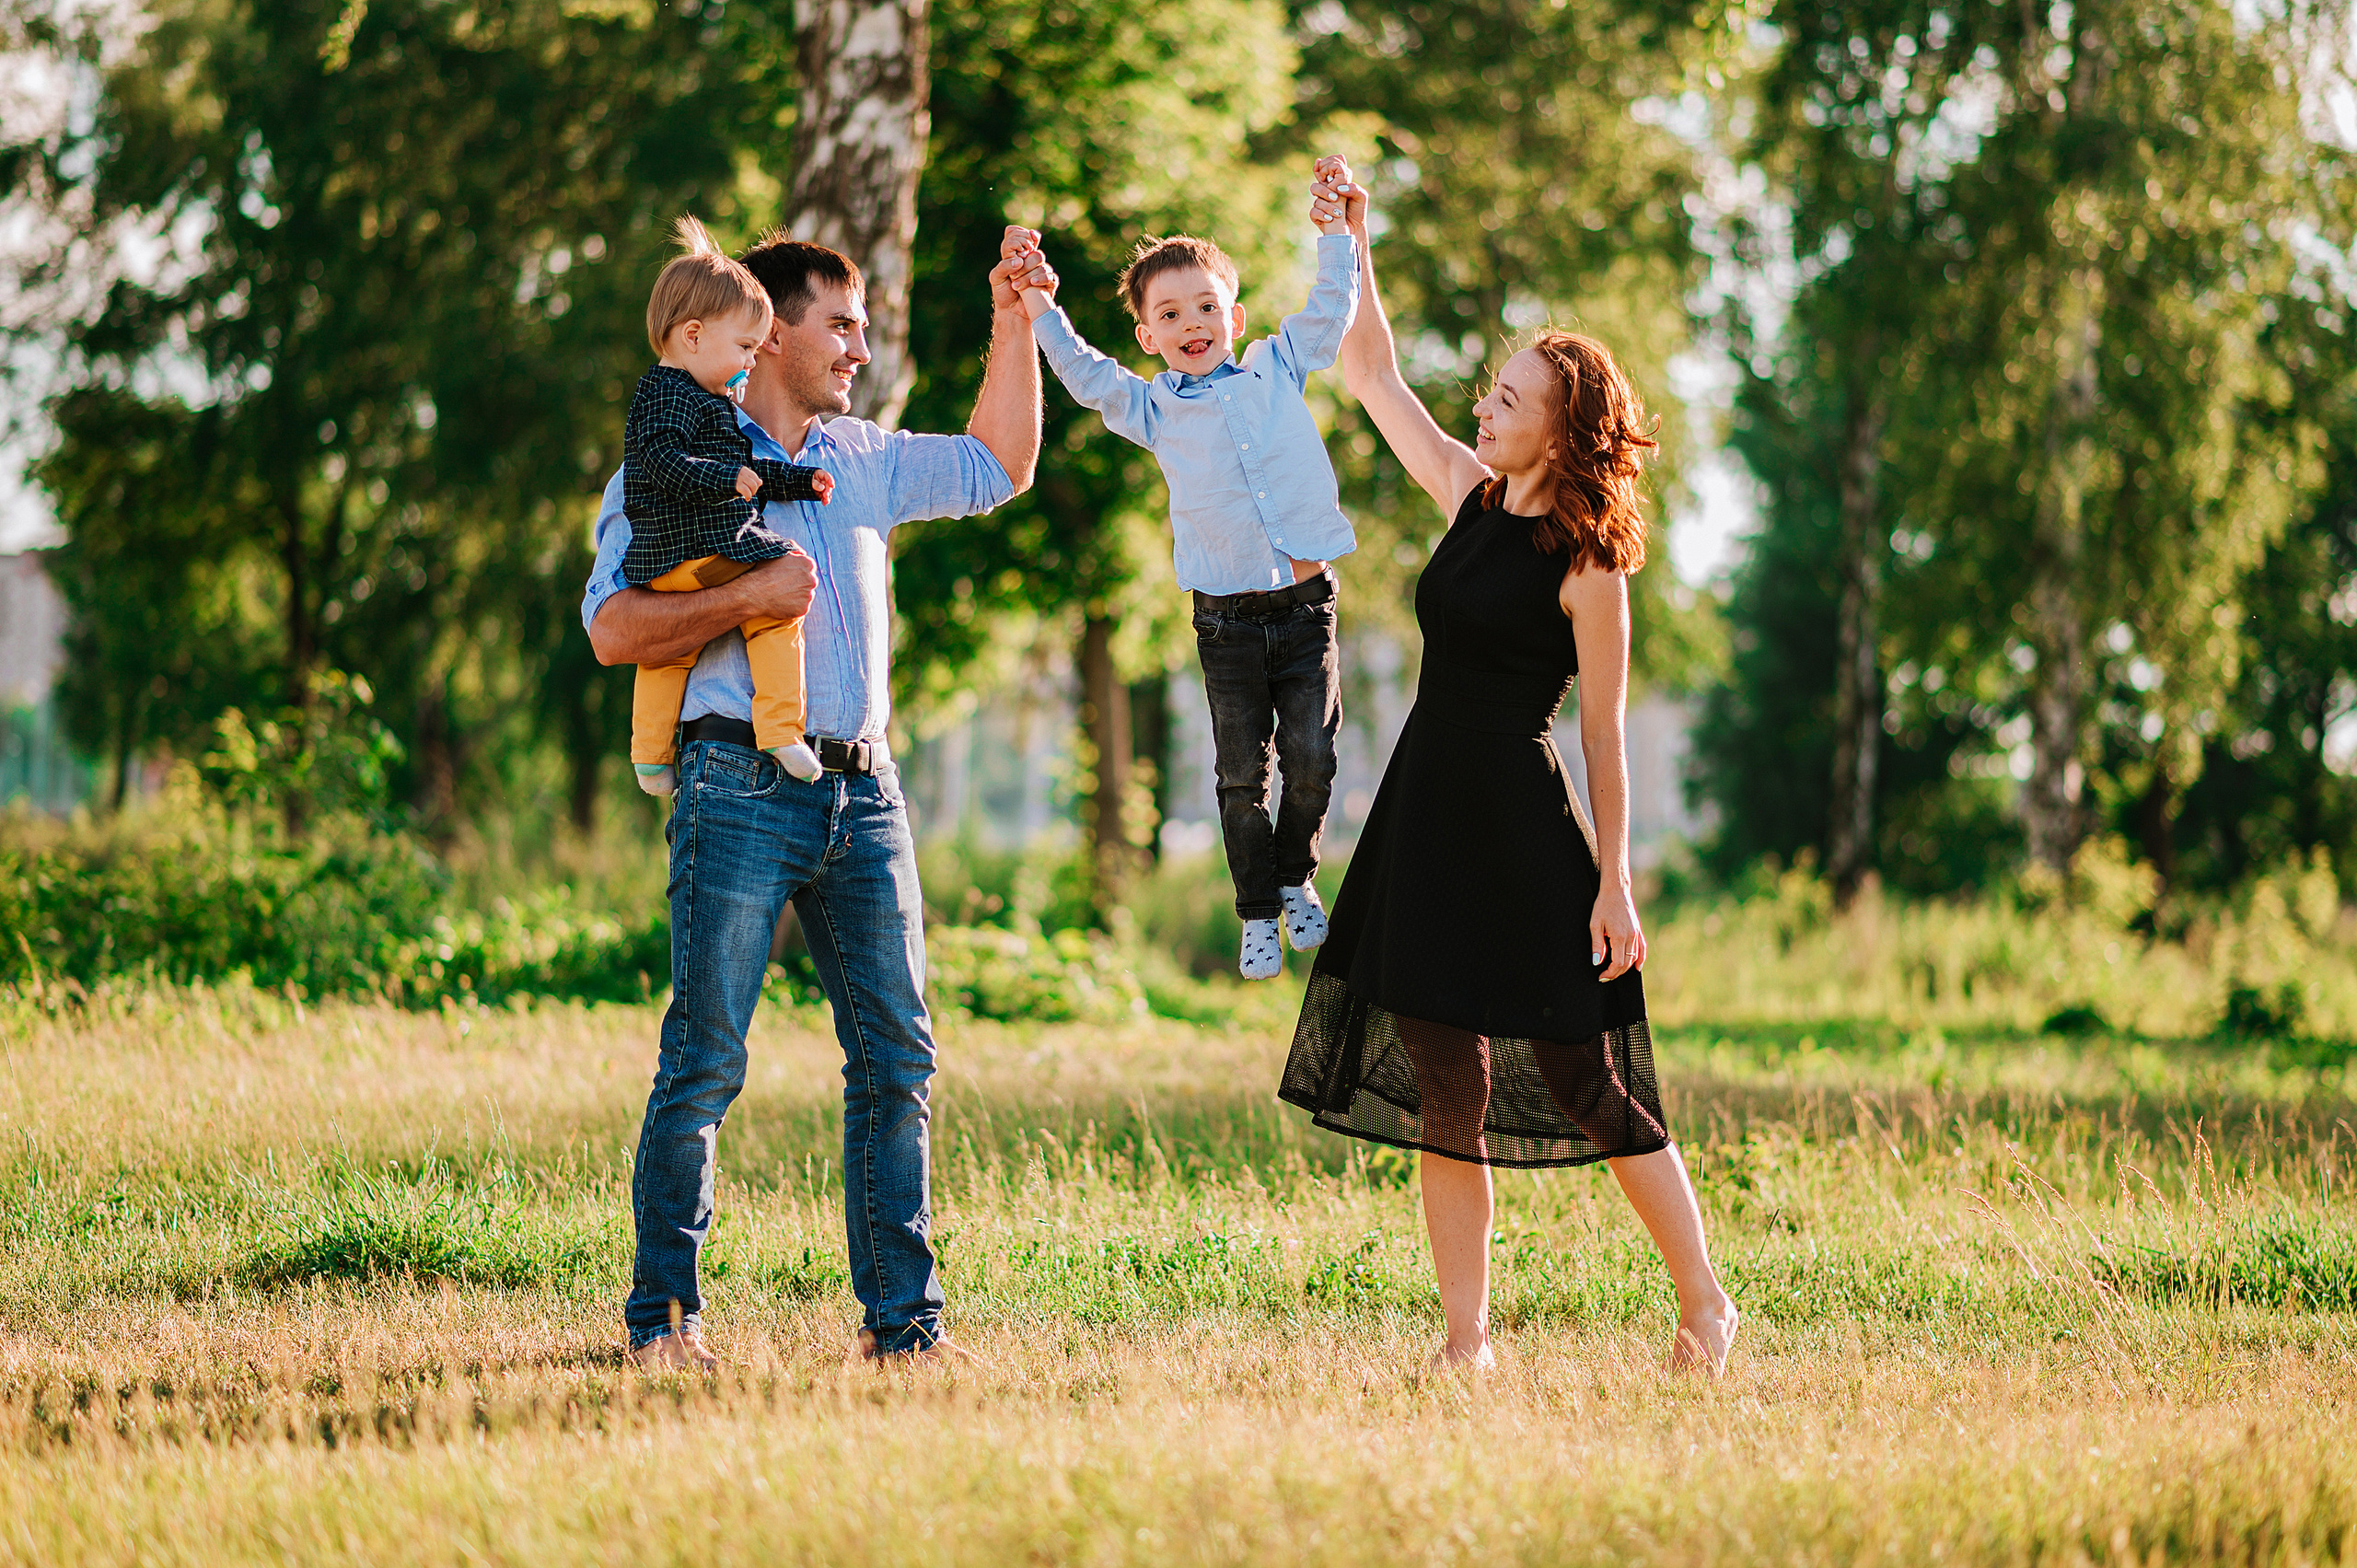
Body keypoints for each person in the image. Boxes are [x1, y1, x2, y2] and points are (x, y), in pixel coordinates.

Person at [1276, 164, 1740, 1375]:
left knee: (1585, 1072)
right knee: (1446, 1082)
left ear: (1563, 423)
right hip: (1427, 813)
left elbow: (1604, 732)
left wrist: (1616, 881)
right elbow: (1370, 371)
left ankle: (1705, 1298)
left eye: (1508, 395)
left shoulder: (1593, 565)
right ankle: (1467, 1340)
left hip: (1528, 828)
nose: (1484, 406)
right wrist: (1355, 240)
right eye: (1487, 390)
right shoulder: (1466, 496)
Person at [582, 225, 1051, 1371]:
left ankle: (904, 1330)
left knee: (897, 1061)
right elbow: (613, 628)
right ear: (769, 331)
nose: (858, 343)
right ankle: (663, 1324)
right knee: (705, 1058)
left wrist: (1015, 318)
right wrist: (750, 593)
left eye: (861, 324)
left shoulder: (866, 454)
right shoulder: (669, 460)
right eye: (838, 323)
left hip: (868, 791)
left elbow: (1002, 463)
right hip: (735, 779)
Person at [1012, 163, 1362, 979]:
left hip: (1306, 607)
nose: (1192, 323)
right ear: (1149, 337)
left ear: (1233, 315)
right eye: (1170, 314)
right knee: (1243, 774)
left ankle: (1297, 876)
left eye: (1206, 306)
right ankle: (1256, 911)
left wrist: (1337, 232)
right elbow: (1081, 372)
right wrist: (1037, 301)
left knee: (1312, 757)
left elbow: (1330, 311)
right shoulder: (1151, 407)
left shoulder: (1279, 364)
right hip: (1227, 623)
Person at [620, 215, 833, 798]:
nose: (748, 363)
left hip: (689, 554)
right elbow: (663, 463)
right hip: (685, 547)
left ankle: (649, 758)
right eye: (743, 348)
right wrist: (723, 474)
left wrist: (799, 480)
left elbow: (752, 475)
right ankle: (781, 730)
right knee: (776, 609)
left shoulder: (708, 399)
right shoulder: (665, 396)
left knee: (674, 656)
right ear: (692, 337)